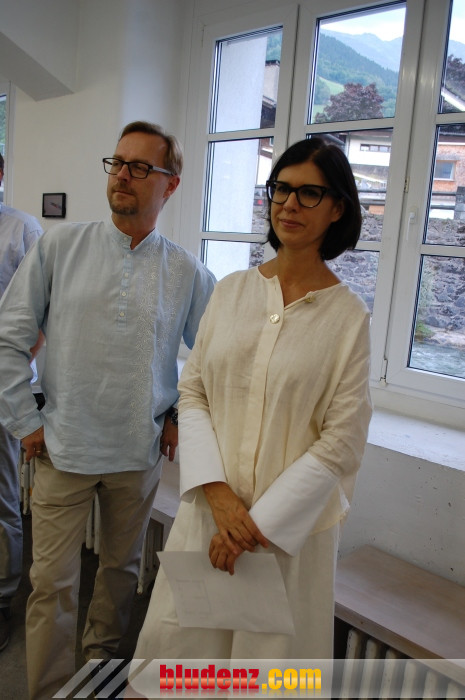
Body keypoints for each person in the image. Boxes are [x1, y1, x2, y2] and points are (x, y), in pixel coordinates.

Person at [132, 137, 372, 670]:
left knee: (263, 672)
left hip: (285, 537)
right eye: (281, 189)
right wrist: (220, 497)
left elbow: (342, 439)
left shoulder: (347, 317)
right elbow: (195, 391)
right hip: (210, 516)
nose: (289, 204)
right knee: (180, 661)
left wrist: (255, 526)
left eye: (310, 193)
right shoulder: (232, 291)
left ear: (338, 208)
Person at [0, 122, 215, 699]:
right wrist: (25, 421)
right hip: (62, 446)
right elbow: (8, 338)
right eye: (118, 162)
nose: (122, 175)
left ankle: (98, 678)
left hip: (136, 453)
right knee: (51, 584)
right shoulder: (60, 247)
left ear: (171, 184)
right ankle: (46, 690)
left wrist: (177, 416)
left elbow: (216, 357)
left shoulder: (186, 272)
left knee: (119, 577)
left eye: (140, 167)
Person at [0, 153, 44, 654]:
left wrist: (16, 363)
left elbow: (42, 311)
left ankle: (1, 597)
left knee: (1, 496)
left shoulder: (22, 229)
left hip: (2, 388)